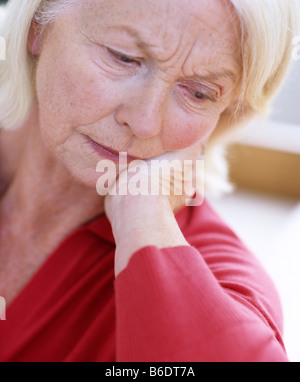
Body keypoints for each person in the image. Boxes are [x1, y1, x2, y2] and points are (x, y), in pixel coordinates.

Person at [0, 0, 298, 362]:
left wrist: (141, 211)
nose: (144, 122)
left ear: (225, 115)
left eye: (199, 93)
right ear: (37, 27)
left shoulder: (219, 278)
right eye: (124, 58)